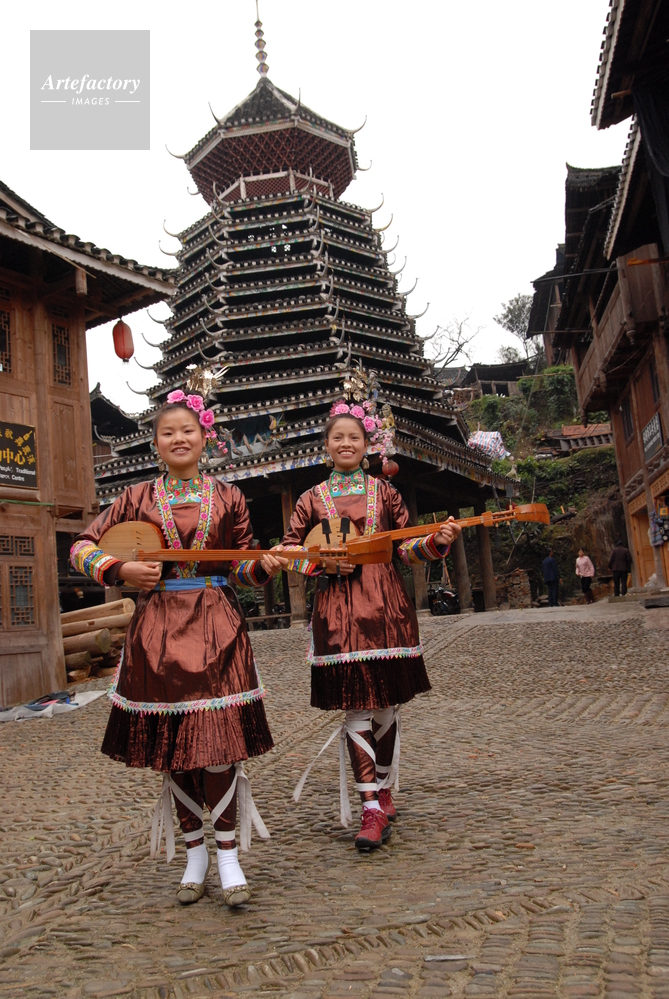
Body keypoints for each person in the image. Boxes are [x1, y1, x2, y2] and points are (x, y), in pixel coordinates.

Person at [70, 391, 273, 908]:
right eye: (168, 432)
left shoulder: (229, 497)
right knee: (175, 747)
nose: (179, 439)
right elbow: (81, 547)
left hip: (217, 626)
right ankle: (194, 855)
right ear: (156, 443)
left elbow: (241, 565)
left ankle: (228, 856)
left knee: (219, 746)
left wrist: (263, 566)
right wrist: (120, 569)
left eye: (188, 430)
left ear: (205, 437)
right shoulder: (134, 498)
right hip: (157, 631)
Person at [261, 400, 461, 851]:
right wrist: (322, 564)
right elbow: (290, 550)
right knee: (356, 707)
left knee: (387, 705)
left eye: (354, 437)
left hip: (386, 605)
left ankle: (385, 789)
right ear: (326, 446)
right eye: (338, 437)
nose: (346, 443)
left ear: (367, 444)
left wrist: (436, 541)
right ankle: (370, 806)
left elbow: (405, 547)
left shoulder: (385, 494)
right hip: (338, 613)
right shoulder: (310, 498)